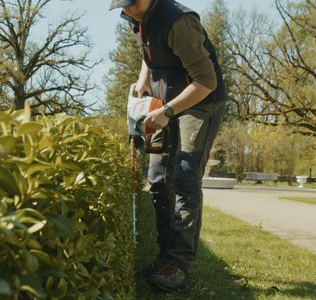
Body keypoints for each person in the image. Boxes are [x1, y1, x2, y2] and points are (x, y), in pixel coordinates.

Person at [110, 0, 226, 292]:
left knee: (185, 177)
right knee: (157, 177)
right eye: (122, 6)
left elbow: (207, 80)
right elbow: (147, 52)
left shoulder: (178, 22)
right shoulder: (137, 17)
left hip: (200, 102)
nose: (128, 11)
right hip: (166, 101)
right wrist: (143, 78)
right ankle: (165, 256)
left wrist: (167, 112)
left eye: (132, 4)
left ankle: (179, 264)